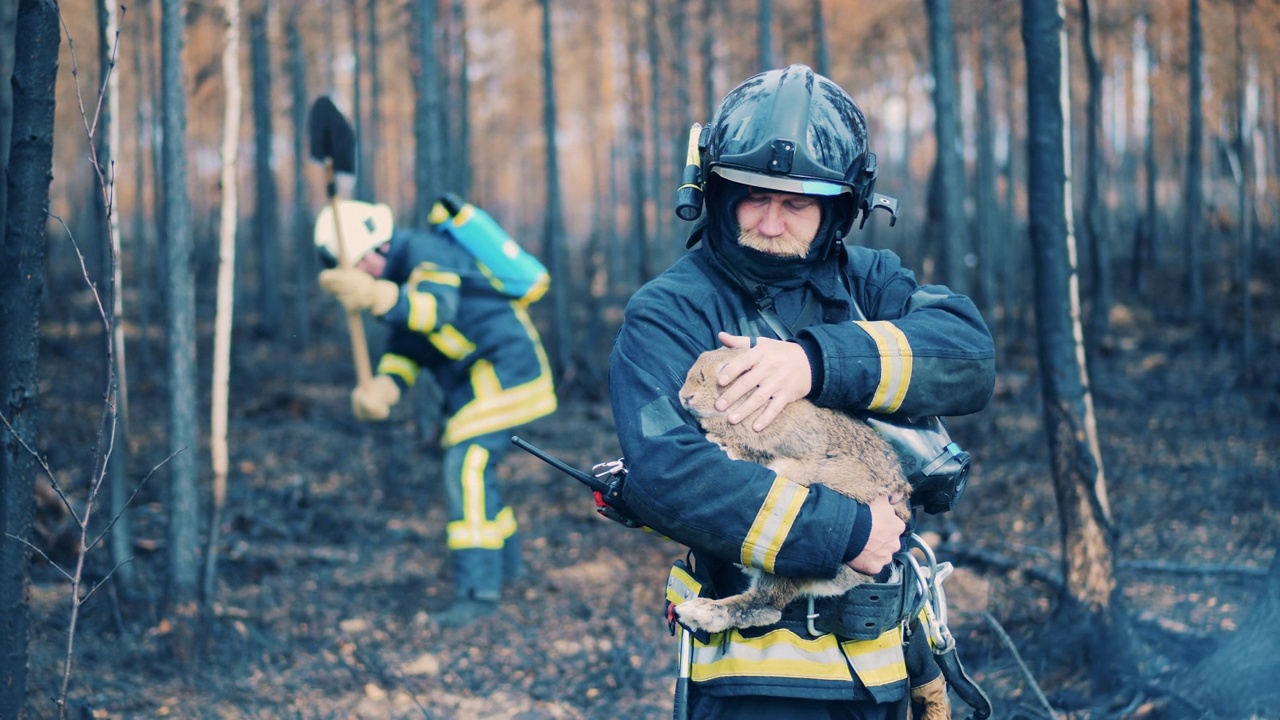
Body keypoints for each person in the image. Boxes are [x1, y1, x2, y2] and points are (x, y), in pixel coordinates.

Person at [608, 64, 996, 718]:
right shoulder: (668, 312)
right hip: (752, 681)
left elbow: (969, 356)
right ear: (717, 195)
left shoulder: (870, 283)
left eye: (797, 203)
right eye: (753, 197)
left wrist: (815, 362)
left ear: (839, 207)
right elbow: (670, 471)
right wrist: (844, 530)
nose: (769, 220)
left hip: (887, 670)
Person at [316, 198, 558, 627]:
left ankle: (479, 592)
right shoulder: (397, 276)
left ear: (375, 249)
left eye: (357, 267)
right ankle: (508, 567)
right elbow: (406, 351)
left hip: (506, 372)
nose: (361, 276)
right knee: (476, 472)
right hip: (478, 384)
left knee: (466, 468)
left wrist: (377, 296)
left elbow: (433, 309)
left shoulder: (424, 253)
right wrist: (383, 389)